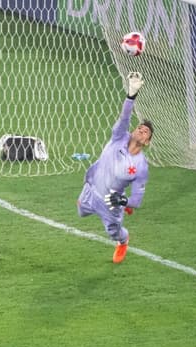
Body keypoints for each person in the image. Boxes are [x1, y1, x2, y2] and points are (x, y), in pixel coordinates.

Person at [77, 72, 152, 263]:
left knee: (113, 232)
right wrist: (131, 95)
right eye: (140, 127)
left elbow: (136, 199)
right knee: (81, 211)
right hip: (92, 187)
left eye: (147, 132)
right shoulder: (119, 136)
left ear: (147, 142)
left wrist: (124, 202)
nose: (142, 130)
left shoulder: (141, 166)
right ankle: (92, 204)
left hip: (111, 201)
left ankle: (124, 240)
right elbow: (125, 116)